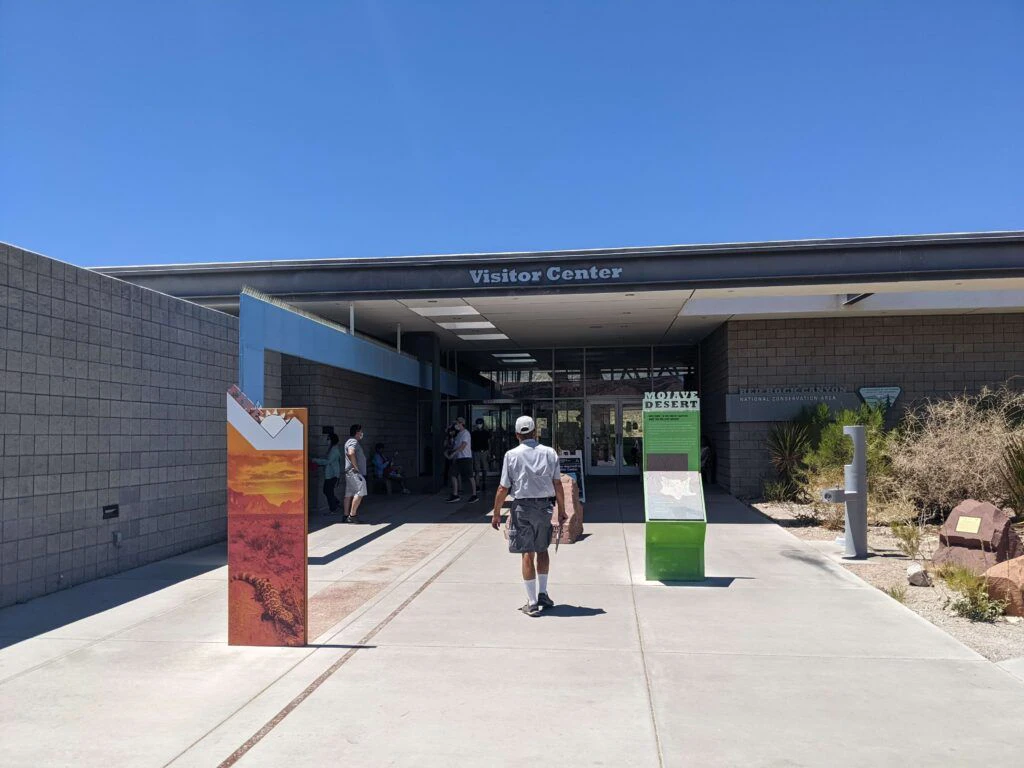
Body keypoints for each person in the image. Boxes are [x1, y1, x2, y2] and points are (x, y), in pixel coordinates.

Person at [491, 415, 567, 617]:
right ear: (535, 432)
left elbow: (503, 487)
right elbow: (558, 484)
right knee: (542, 549)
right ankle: (543, 593)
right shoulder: (550, 453)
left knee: (527, 552)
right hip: (544, 507)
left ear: (517, 435)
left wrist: (496, 513)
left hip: (522, 507)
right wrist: (562, 510)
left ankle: (532, 602)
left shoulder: (511, 455)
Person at [446, 416, 478, 503]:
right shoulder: (458, 434)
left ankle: (474, 495)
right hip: (458, 458)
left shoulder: (466, 433)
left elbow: (463, 446)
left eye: (456, 423)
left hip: (465, 458)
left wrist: (453, 453)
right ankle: (455, 494)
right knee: (453, 474)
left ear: (461, 423)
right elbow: (455, 445)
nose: (455, 425)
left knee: (470, 476)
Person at [311, 432, 343, 514]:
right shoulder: (332, 449)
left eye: (328, 439)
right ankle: (336, 503)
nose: (327, 440)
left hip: (332, 475)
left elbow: (328, 461)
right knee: (328, 491)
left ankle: (333, 508)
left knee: (328, 491)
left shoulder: (334, 450)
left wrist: (315, 460)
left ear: (332, 440)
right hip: (330, 474)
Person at [343, 424, 368, 523]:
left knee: (348, 494)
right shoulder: (353, 441)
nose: (362, 433)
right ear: (357, 432)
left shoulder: (351, 441)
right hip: (354, 473)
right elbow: (351, 452)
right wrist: (356, 468)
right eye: (361, 431)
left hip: (350, 472)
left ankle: (345, 516)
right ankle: (352, 515)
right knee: (360, 492)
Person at [471, 418, 491, 493]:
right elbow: (471, 443)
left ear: (482, 424)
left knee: (484, 469)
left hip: (484, 451)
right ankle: (477, 485)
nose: (479, 425)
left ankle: (484, 483)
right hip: (476, 452)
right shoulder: (474, 433)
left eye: (480, 423)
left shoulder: (486, 432)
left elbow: (489, 443)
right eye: (478, 423)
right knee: (477, 470)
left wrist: (489, 452)